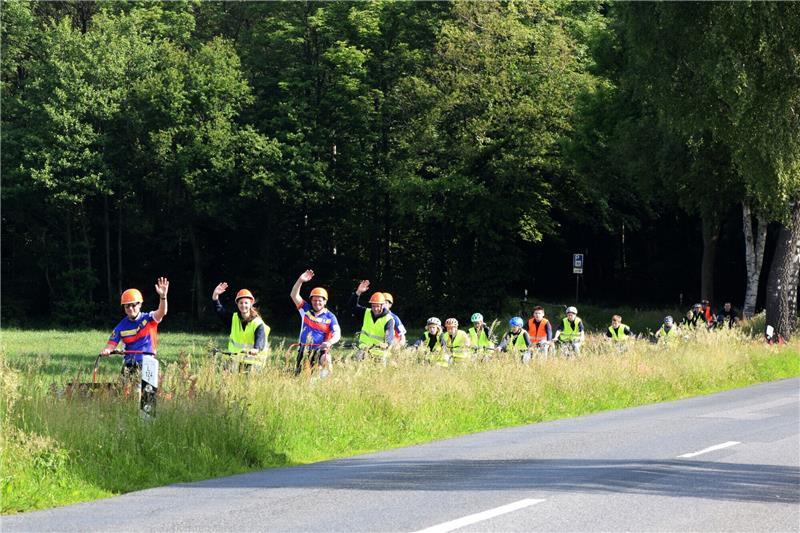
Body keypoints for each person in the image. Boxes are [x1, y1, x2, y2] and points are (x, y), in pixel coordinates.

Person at [101, 277, 169, 374]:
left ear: (140, 305)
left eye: (133, 305)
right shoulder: (120, 327)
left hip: (148, 363)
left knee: (147, 385)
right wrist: (107, 350)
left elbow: (162, 312)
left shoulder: (149, 318)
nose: (130, 308)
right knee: (123, 384)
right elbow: (110, 346)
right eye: (127, 306)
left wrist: (163, 297)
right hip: (129, 365)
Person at [290, 270, 341, 375]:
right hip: (304, 349)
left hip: (321, 350)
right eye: (314, 300)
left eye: (320, 300)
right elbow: (294, 295)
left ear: (325, 301)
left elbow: (337, 333)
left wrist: (329, 342)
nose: (317, 302)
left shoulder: (330, 317)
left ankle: (327, 381)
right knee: (300, 377)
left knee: (327, 360)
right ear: (311, 300)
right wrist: (300, 280)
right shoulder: (305, 309)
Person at [211, 283, 270, 367]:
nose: (243, 305)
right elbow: (219, 310)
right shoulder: (233, 318)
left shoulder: (258, 323)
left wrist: (256, 349)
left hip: (254, 362)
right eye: (241, 303)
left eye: (246, 303)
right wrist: (215, 295)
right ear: (237, 304)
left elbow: (260, 339)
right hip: (236, 360)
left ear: (251, 304)